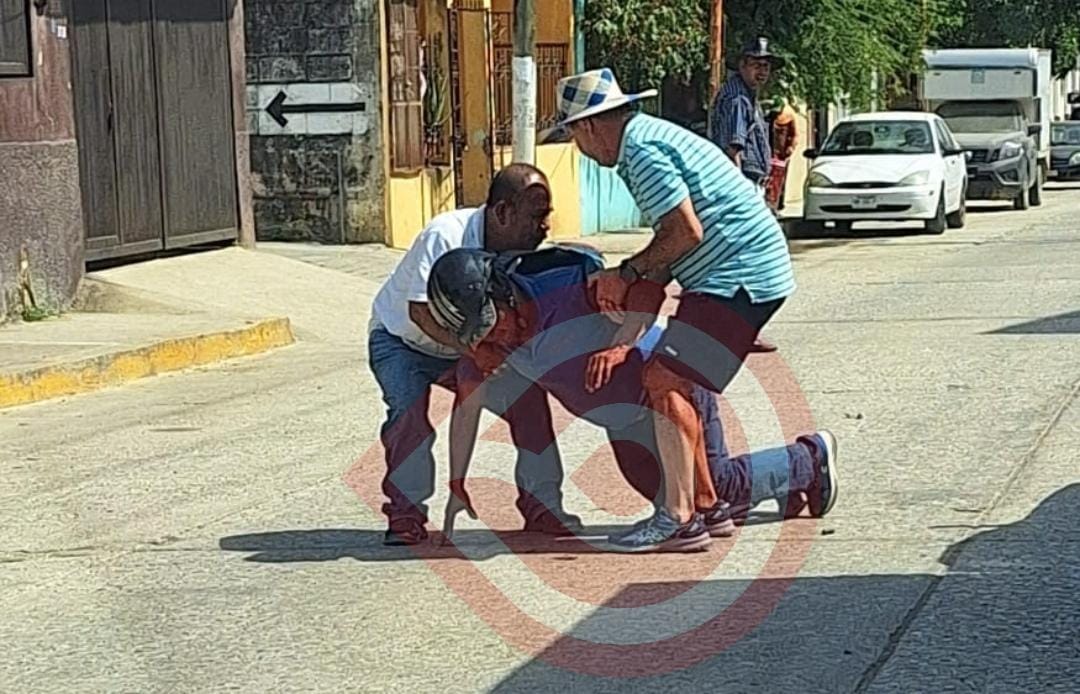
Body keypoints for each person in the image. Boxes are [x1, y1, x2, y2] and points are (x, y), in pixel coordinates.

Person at [543, 67, 837, 547]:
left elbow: (684, 233)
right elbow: (665, 259)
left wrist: (624, 273)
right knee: (670, 378)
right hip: (736, 274)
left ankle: (679, 518)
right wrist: (626, 335)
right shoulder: (647, 139)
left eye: (573, 136)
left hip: (738, 277)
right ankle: (708, 506)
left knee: (663, 379)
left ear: (589, 126)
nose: (579, 149)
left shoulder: (640, 153)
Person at [427, 245, 839, 552]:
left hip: (667, 392)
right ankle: (786, 484)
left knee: (716, 489)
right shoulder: (493, 346)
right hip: (622, 421)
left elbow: (646, 290)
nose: (495, 338)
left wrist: (622, 344)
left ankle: (809, 458)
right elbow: (467, 401)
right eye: (479, 335)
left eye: (493, 324)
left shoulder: (567, 284)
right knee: (663, 497)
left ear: (503, 294)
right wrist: (457, 481)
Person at [368, 164, 581, 546]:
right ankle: (405, 515)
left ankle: (542, 506)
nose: (545, 227)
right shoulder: (445, 235)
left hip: (466, 345)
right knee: (408, 414)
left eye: (547, 215)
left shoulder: (520, 253)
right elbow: (419, 311)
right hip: (402, 340)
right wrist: (475, 353)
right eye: (537, 216)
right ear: (503, 212)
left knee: (528, 400)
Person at [712, 37, 787, 353]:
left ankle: (739, 328)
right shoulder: (737, 99)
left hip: (749, 183)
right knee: (753, 258)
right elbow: (733, 149)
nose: (762, 71)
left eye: (766, 66)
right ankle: (738, 329)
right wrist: (740, 194)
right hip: (741, 185)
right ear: (742, 65)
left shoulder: (745, 95)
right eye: (756, 64)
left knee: (746, 258)